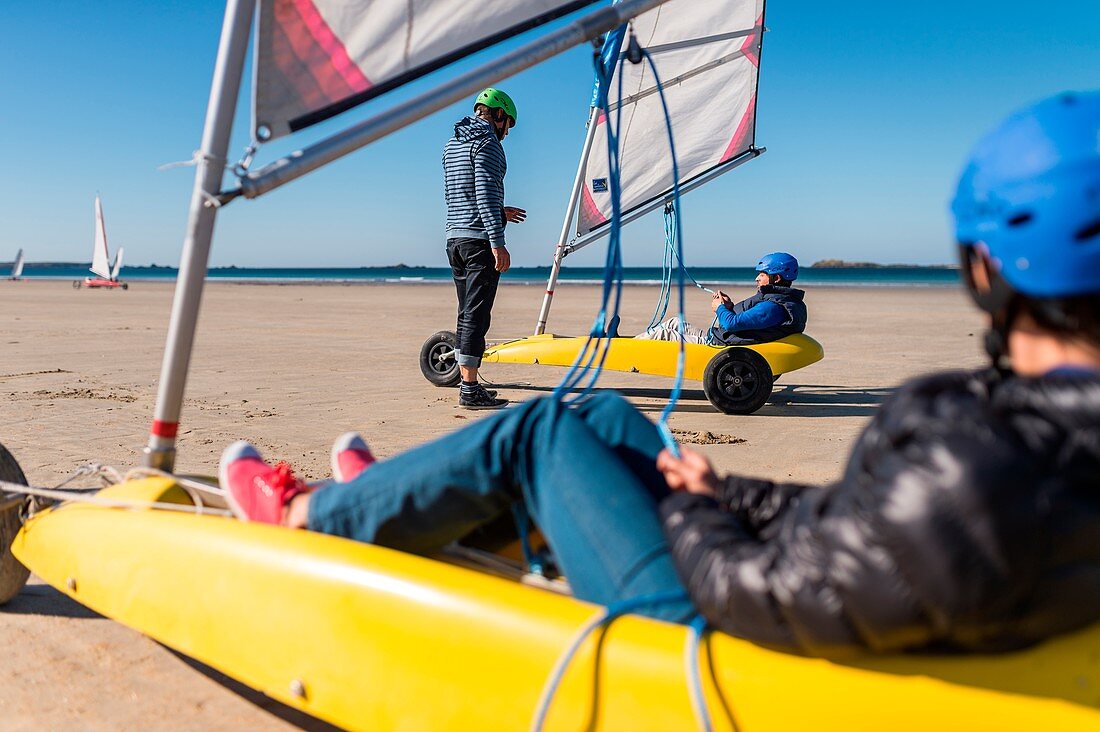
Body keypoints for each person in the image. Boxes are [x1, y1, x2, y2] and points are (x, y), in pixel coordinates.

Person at [221, 91, 1100, 654]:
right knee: (610, 427)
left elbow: (787, 593)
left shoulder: (982, 459)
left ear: (986, 268)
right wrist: (729, 492)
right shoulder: (1020, 443)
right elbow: (875, 537)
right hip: (802, 593)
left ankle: (314, 515)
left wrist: (690, 516)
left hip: (714, 643)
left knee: (551, 425)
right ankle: (408, 504)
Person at [443, 88, 527, 409]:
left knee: (467, 311)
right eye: (509, 125)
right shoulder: (488, 144)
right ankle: (469, 388)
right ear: (499, 115)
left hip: (455, 239)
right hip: (479, 242)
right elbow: (485, 192)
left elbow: (462, 192)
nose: (507, 133)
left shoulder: (453, 144)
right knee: (477, 315)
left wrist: (498, 212)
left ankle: (466, 381)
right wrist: (498, 242)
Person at [636, 252, 808, 346]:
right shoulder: (776, 300)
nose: (757, 279)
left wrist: (720, 308)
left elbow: (732, 324)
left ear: (776, 279)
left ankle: (618, 350)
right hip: (718, 336)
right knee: (675, 323)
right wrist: (729, 305)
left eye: (761, 275)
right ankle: (625, 343)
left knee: (662, 334)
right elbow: (745, 323)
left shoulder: (774, 307)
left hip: (716, 344)